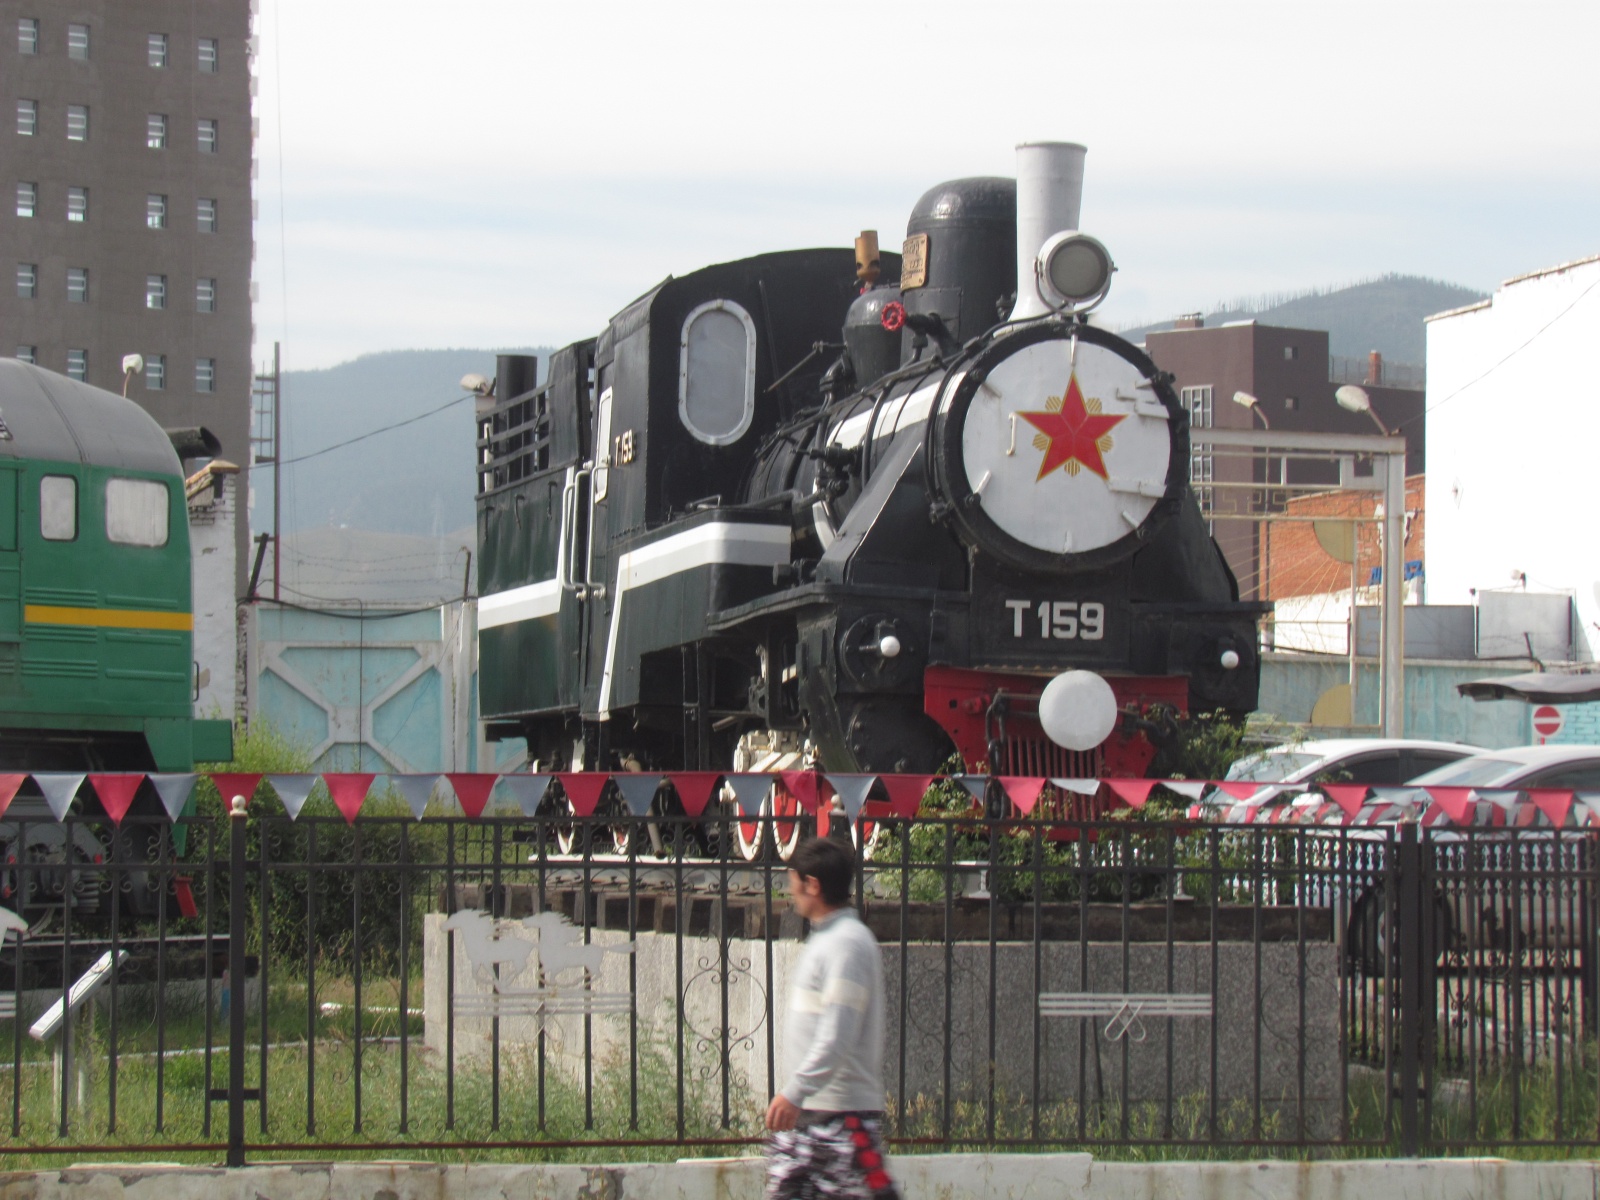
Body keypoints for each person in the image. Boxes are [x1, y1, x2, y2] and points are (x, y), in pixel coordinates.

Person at [764, 835, 899, 1200]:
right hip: (811, 1120)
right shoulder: (827, 940)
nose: (790, 893)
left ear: (813, 885)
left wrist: (794, 1091)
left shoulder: (847, 944)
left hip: (842, 1119)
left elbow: (837, 1034)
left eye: (794, 883)